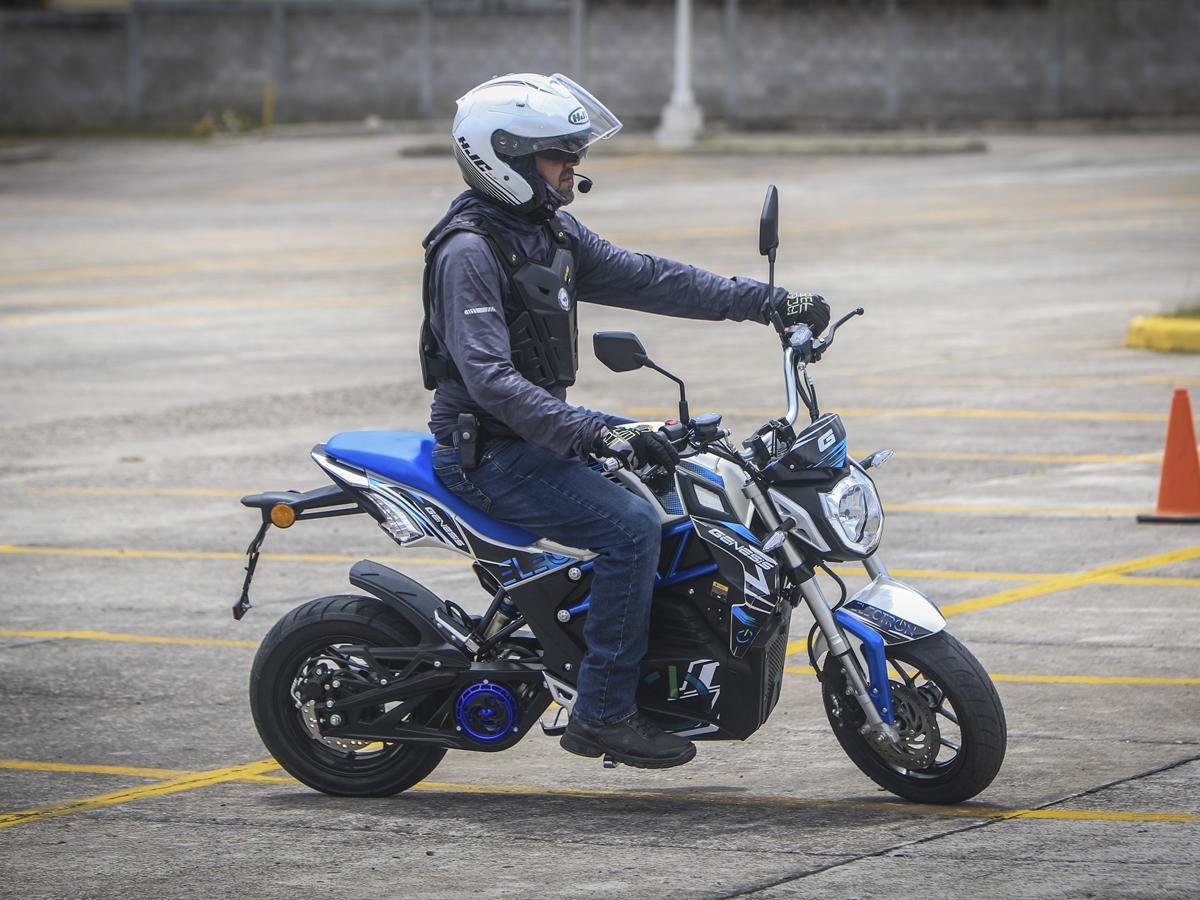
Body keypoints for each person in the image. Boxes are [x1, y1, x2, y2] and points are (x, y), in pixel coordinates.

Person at [422, 73, 829, 769]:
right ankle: (603, 713)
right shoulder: (469, 251)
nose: (572, 169)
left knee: (685, 469)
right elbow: (491, 382)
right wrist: (594, 431)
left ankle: (653, 667)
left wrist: (768, 303)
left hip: (537, 430)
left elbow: (652, 278)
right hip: (490, 450)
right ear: (506, 157)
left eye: (574, 155)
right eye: (558, 156)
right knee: (630, 529)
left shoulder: (549, 232)